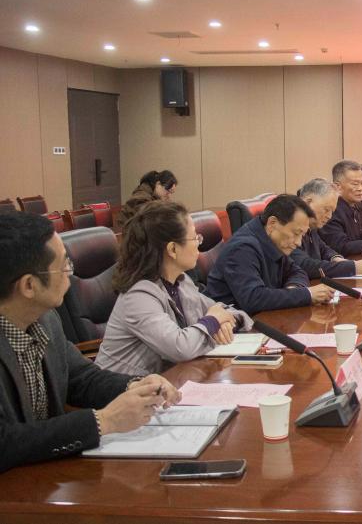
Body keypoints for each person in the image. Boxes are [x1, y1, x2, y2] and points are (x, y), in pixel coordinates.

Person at [0, 211, 180, 473]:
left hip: (46, 474)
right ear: (29, 286)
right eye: (64, 265)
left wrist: (134, 386)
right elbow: (5, 442)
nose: (70, 273)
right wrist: (103, 421)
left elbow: (81, 379)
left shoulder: (46, 320)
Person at [96, 202, 253, 375]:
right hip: (124, 388)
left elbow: (224, 311)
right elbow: (180, 348)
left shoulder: (180, 281)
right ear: (172, 249)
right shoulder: (138, 296)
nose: (199, 244)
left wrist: (227, 323)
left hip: (168, 380)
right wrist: (213, 321)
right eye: (195, 238)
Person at [205, 195, 334, 315]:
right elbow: (253, 298)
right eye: (296, 233)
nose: (298, 242)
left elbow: (297, 272)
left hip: (263, 317)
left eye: (302, 235)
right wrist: (306, 294)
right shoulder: (242, 248)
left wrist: (294, 289)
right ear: (272, 223)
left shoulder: (272, 240)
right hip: (234, 325)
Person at [292, 178, 362, 279]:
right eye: (326, 209)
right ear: (308, 202)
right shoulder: (290, 224)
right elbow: (304, 265)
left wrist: (336, 258)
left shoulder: (311, 226)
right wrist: (351, 267)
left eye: (332, 211)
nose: (329, 216)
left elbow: (323, 248)